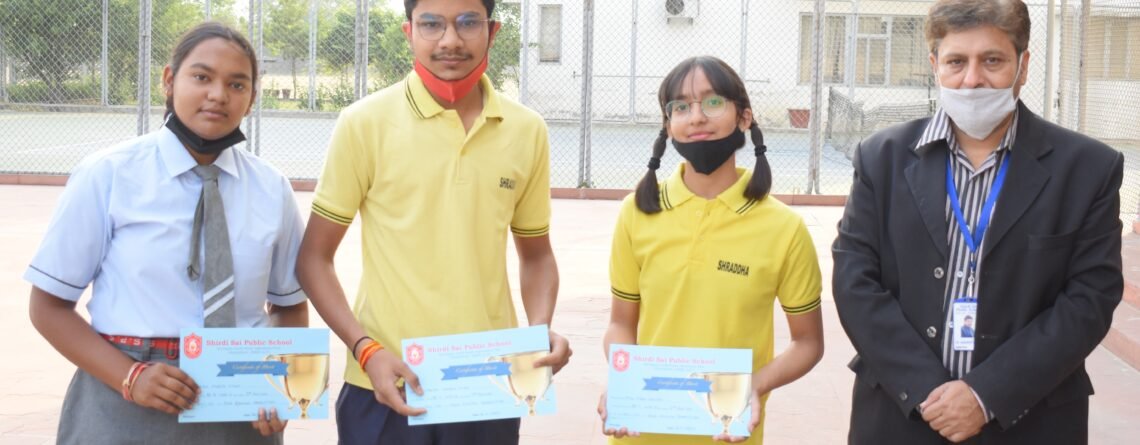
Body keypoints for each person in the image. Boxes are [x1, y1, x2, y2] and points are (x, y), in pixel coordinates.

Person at [831, 1, 1124, 443]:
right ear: (935, 64)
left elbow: (1089, 298)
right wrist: (929, 392)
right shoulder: (881, 158)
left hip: (1031, 420)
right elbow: (855, 281)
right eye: (956, 62)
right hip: (901, 414)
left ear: (1023, 66)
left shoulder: (1087, 169)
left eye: (992, 60)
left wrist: (986, 394)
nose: (972, 80)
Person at [295, 0, 571, 444]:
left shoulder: (527, 129)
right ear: (409, 32)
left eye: (468, 22)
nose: (450, 40)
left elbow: (537, 256)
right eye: (431, 24)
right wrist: (366, 350)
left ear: (492, 31)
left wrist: (538, 331)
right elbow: (314, 259)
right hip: (385, 381)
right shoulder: (363, 123)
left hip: (487, 383)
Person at [25, 22, 308, 445]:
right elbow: (48, 306)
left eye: (237, 84)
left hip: (239, 399)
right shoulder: (109, 174)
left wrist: (284, 385)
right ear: (169, 80)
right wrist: (131, 376)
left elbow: (289, 305)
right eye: (202, 77)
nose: (218, 94)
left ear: (251, 99)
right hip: (124, 397)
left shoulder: (271, 188)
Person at [597, 56, 825, 445]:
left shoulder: (784, 229)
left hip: (728, 432)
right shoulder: (636, 212)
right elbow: (621, 323)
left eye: (713, 102)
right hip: (640, 432)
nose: (697, 117)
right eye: (681, 107)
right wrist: (624, 379)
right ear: (668, 125)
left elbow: (808, 343)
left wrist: (755, 386)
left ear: (744, 117)